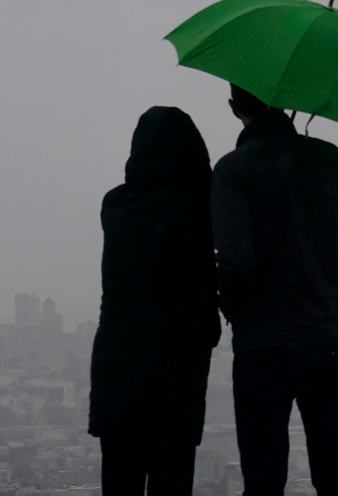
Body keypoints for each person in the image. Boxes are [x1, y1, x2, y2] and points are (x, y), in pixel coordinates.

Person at [213, 84, 338, 496]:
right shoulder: (331, 159)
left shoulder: (233, 169)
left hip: (263, 348)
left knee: (263, 479)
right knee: (335, 475)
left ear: (233, 107)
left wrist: (234, 310)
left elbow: (236, 261)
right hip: (329, 340)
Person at [89, 106, 221, 496]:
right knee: (170, 481)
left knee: (119, 479)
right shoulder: (192, 212)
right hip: (172, 374)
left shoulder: (115, 205)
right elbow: (196, 301)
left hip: (116, 369)